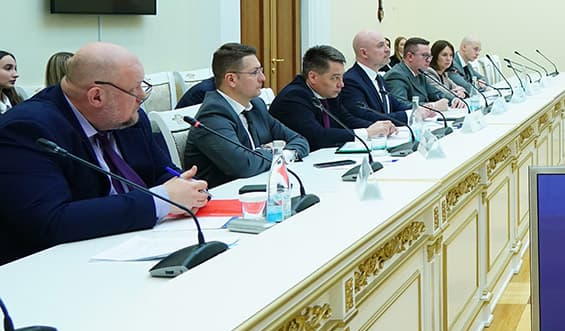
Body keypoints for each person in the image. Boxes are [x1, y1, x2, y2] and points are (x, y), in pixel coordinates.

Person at [0, 42, 210, 265]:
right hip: (61, 264)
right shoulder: (27, 130)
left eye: (143, 85)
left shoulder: (129, 118)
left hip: (147, 243)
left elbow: (160, 171)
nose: (142, 97)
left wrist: (187, 187)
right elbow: (52, 221)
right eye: (134, 89)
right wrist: (161, 200)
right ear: (97, 97)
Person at [182, 43, 309, 189]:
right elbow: (244, 166)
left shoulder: (256, 105)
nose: (263, 78)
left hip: (260, 185)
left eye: (261, 71)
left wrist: (271, 153)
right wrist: (277, 153)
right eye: (254, 72)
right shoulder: (212, 117)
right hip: (225, 195)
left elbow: (300, 141)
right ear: (231, 79)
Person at [269, 45, 397, 150]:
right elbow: (318, 137)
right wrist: (367, 133)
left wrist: (378, 127)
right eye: (335, 78)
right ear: (313, 77)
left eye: (341, 77)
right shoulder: (293, 97)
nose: (341, 84)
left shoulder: (329, 93)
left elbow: (346, 119)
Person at [342, 30, 414, 126]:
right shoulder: (351, 81)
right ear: (364, 53)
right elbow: (365, 116)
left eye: (387, 45)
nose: (388, 50)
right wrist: (408, 115)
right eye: (381, 46)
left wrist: (418, 109)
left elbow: (395, 105)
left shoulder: (378, 78)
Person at [384, 37, 465, 109]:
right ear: (410, 57)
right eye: (425, 56)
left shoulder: (420, 73)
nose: (429, 60)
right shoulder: (396, 75)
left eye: (430, 56)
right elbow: (400, 104)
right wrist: (432, 106)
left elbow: (436, 93)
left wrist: (454, 100)